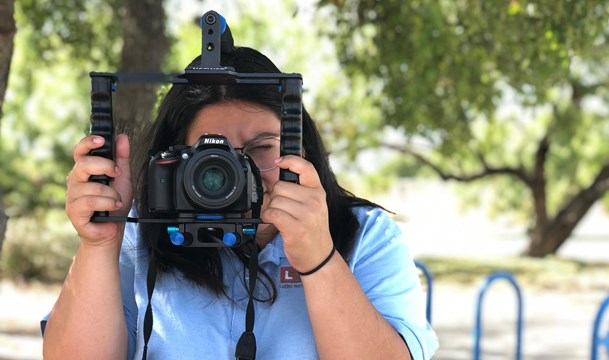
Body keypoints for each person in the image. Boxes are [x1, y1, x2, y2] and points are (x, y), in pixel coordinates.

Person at [42, 40, 438, 359]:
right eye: (209, 157)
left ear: (301, 151)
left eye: (261, 147)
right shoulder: (140, 234)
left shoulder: (364, 235)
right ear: (171, 162)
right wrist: (99, 243)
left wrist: (318, 258)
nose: (236, 169)